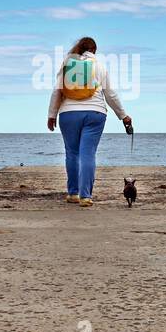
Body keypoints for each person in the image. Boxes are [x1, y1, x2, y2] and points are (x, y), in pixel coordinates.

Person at [46, 37, 132, 207]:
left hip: (68, 114)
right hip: (95, 113)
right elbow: (111, 95)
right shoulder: (99, 66)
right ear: (94, 51)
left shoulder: (67, 64)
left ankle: (73, 193)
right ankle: (86, 196)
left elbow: (57, 92)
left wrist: (52, 115)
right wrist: (123, 116)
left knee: (72, 153)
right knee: (88, 153)